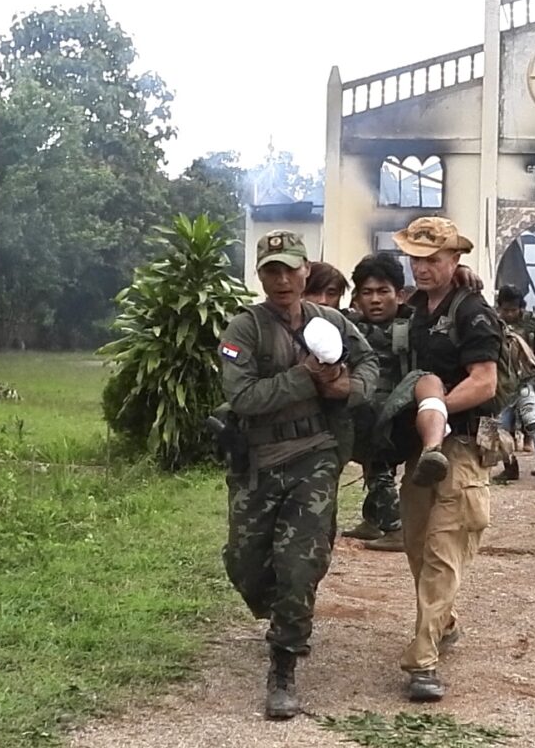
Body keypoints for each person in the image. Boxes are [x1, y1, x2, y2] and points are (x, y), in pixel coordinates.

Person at [218, 230, 377, 719]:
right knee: (245, 563)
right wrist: (304, 377)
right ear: (260, 275)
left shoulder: (330, 322)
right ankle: (285, 609)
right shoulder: (243, 330)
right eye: (271, 270)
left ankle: (284, 662)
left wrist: (347, 387)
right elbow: (243, 398)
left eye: (290, 268)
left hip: (317, 455)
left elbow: (370, 362)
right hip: (259, 462)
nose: (282, 279)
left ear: (307, 269)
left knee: (298, 562)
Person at [384, 216, 502, 702]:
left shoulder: (471, 310)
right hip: (420, 451)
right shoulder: (412, 310)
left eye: (434, 259)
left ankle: (423, 661)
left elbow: (486, 381)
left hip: (461, 448)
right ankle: (445, 620)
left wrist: (432, 408)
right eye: (416, 258)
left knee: (442, 552)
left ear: (455, 260)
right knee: (416, 546)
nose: (423, 268)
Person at [340, 252, 411, 553]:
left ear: (400, 294)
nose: (375, 300)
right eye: (367, 293)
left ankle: (395, 527)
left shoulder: (412, 324)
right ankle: (371, 520)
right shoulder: (348, 324)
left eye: (383, 291)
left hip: (396, 412)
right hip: (365, 409)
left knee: (378, 467)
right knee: (372, 466)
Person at [492, 285, 535, 490]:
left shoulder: (533, 323)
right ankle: (510, 466)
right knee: (501, 428)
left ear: (521, 307)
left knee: (533, 424)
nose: (509, 314)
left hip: (525, 382)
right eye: (505, 309)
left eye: (513, 309)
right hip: (501, 384)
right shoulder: (494, 322)